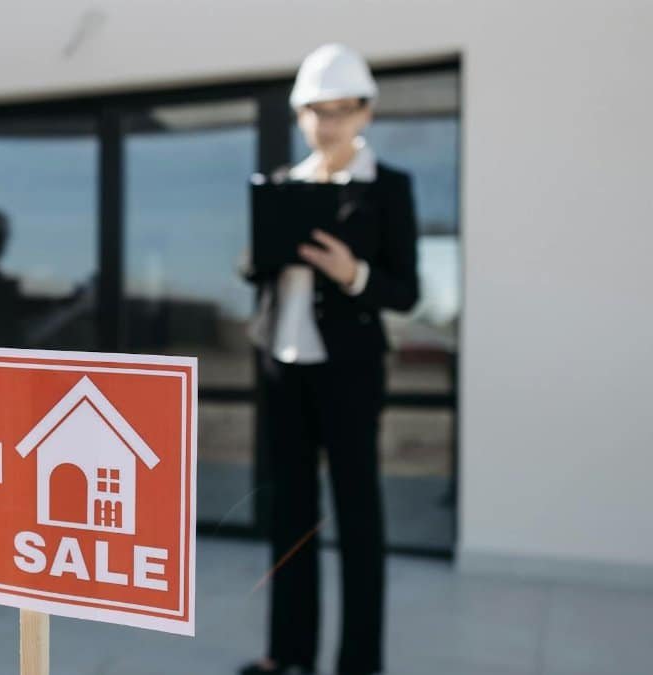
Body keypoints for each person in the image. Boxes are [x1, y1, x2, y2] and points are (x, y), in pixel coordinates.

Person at [239, 44, 420, 675]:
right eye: (317, 111)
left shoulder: (388, 189)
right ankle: (288, 656)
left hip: (349, 374)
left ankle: (359, 663)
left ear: (365, 113)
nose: (329, 123)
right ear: (299, 115)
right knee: (290, 518)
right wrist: (262, 248)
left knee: (358, 519)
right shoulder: (283, 185)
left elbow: (406, 290)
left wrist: (354, 273)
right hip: (282, 367)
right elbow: (251, 270)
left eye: (342, 110)